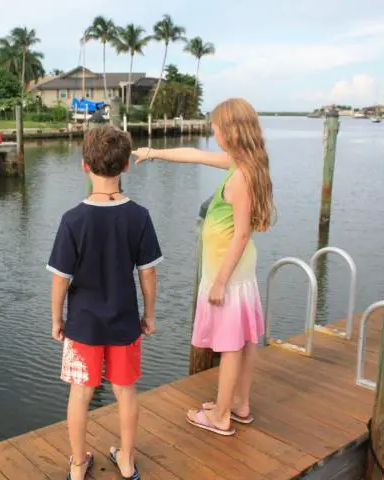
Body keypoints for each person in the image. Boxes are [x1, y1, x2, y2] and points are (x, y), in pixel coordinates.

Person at [132, 97, 274, 436]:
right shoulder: (241, 164)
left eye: (216, 125)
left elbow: (241, 234)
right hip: (238, 271)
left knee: (229, 346)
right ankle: (239, 404)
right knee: (245, 340)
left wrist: (220, 281)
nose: (212, 130)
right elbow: (193, 155)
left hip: (229, 271)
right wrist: (153, 152)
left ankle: (221, 416)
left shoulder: (240, 176)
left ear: (232, 130)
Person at [47, 125, 162, 479]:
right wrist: (149, 314)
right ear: (127, 165)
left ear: (85, 166)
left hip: (82, 324)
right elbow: (147, 274)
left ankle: (79, 464)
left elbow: (60, 280)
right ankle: (126, 461)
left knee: (80, 395)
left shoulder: (73, 220)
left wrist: (56, 320)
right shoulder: (138, 216)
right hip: (125, 321)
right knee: (125, 392)